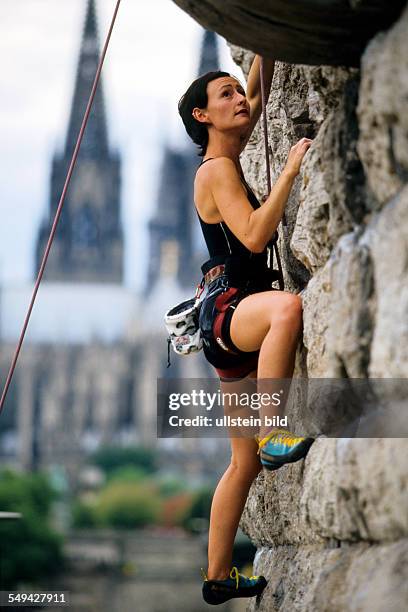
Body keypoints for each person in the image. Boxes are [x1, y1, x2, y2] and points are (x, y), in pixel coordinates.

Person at [178, 55, 314, 606]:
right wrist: (288, 170)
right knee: (287, 311)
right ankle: (274, 429)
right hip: (236, 308)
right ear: (202, 116)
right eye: (226, 95)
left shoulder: (223, 156)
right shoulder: (216, 170)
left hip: (220, 319)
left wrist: (262, 52)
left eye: (239, 91)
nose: (241, 100)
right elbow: (256, 238)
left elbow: (258, 92)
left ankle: (216, 576)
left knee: (241, 464)